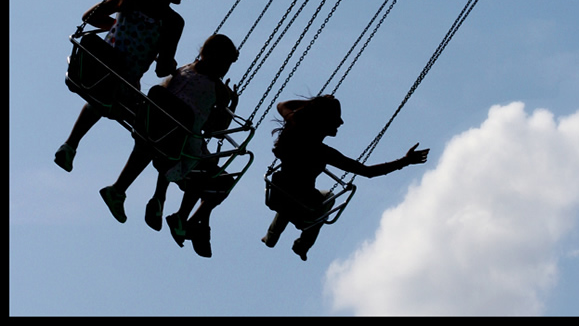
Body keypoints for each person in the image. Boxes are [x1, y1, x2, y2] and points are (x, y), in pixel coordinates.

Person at [99, 33, 239, 259]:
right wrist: (231, 104)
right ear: (214, 58)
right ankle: (179, 214)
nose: (226, 71)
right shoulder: (220, 90)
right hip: (182, 138)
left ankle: (124, 190)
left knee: (157, 143)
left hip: (155, 123)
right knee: (202, 164)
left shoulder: (184, 69)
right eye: (226, 64)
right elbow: (216, 128)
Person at [54, 0, 191, 173]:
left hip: (97, 70)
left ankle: (71, 144)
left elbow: (89, 16)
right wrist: (173, 67)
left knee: (102, 92)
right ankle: (127, 185)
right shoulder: (173, 22)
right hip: (125, 86)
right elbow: (162, 68)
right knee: (150, 130)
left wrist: (118, 26)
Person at [262, 94, 429, 260]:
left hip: (277, 194)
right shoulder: (323, 153)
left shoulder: (294, 128)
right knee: (326, 196)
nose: (341, 122)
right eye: (336, 118)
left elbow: (282, 104)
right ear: (323, 120)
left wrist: (312, 102)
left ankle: (272, 236)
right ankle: (303, 245)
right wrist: (405, 161)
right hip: (303, 208)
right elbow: (368, 172)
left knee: (290, 193)